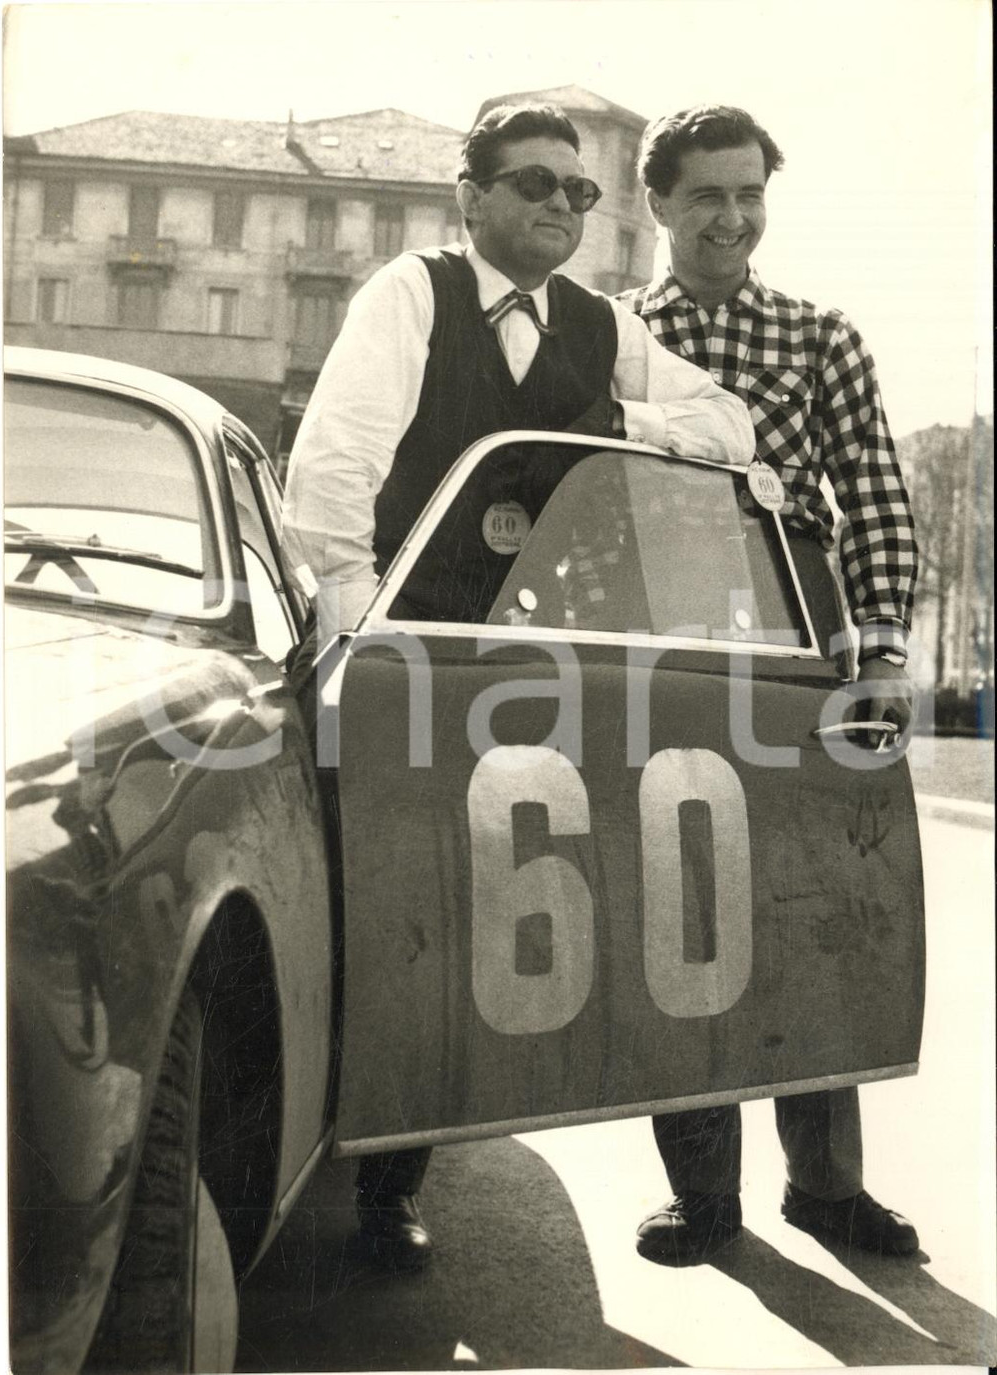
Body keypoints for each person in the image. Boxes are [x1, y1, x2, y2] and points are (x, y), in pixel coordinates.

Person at [281, 102, 754, 1273]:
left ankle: (703, 1201)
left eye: (579, 193)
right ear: (471, 195)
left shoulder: (597, 325)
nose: (558, 206)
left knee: (599, 897)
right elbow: (332, 475)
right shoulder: (411, 293)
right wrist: (360, 644)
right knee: (412, 910)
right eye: (534, 183)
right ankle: (385, 1189)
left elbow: (729, 424)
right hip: (416, 652)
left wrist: (620, 417)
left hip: (557, 657)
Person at [619, 104, 920, 1264]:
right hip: (657, 661)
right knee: (676, 917)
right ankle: (703, 1198)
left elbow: (879, 497)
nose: (733, 219)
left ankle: (826, 1189)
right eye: (708, 196)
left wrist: (883, 653)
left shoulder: (818, 335)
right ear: (656, 204)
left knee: (817, 921)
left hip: (800, 658)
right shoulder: (606, 334)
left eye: (751, 195)